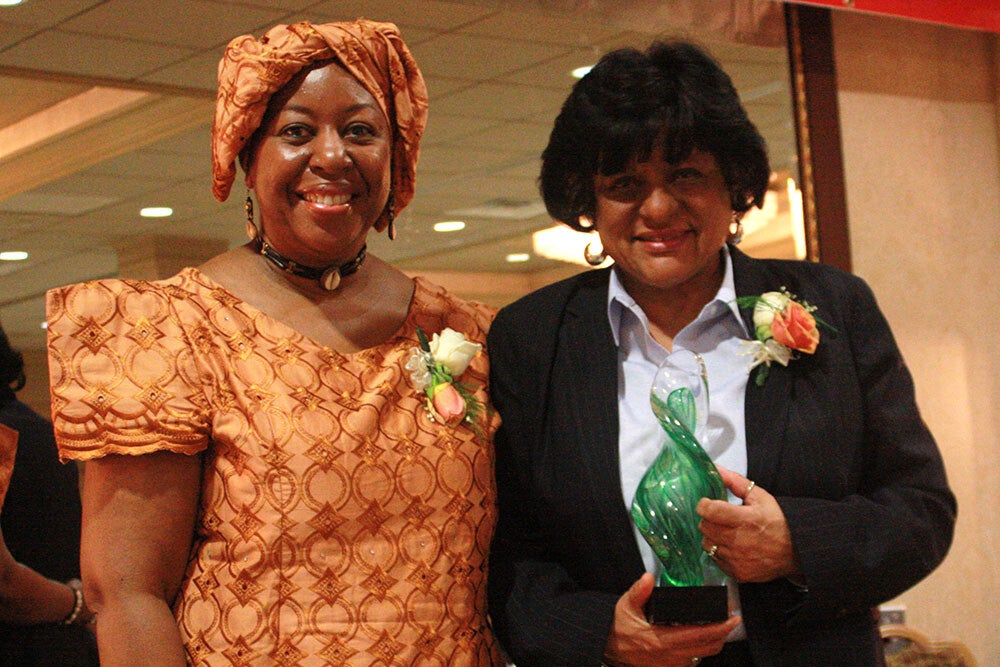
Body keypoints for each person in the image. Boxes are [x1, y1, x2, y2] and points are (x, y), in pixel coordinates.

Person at [46, 20, 503, 666]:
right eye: (296, 131)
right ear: (245, 153)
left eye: (361, 130)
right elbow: (125, 593)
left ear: (396, 153)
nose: (333, 154)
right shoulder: (174, 328)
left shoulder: (459, 329)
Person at [486, 41, 956, 666]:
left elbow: (920, 511)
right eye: (624, 183)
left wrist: (798, 543)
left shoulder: (833, 306)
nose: (657, 208)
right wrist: (597, 631)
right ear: (589, 201)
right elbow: (507, 552)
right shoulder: (531, 337)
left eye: (685, 175)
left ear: (732, 184)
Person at [0, 319, 97, 665]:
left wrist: (77, 606)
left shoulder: (9, 436)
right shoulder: (41, 433)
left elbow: (6, 587)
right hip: (57, 645)